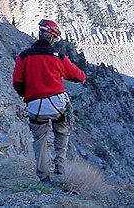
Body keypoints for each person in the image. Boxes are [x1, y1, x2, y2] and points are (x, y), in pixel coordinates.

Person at [12, 19, 86, 185]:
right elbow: (79, 76)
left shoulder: (23, 56)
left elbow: (17, 83)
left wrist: (28, 94)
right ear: (52, 38)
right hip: (57, 103)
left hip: (35, 105)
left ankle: (43, 176)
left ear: (39, 33)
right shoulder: (58, 57)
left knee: (39, 140)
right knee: (62, 132)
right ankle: (59, 167)